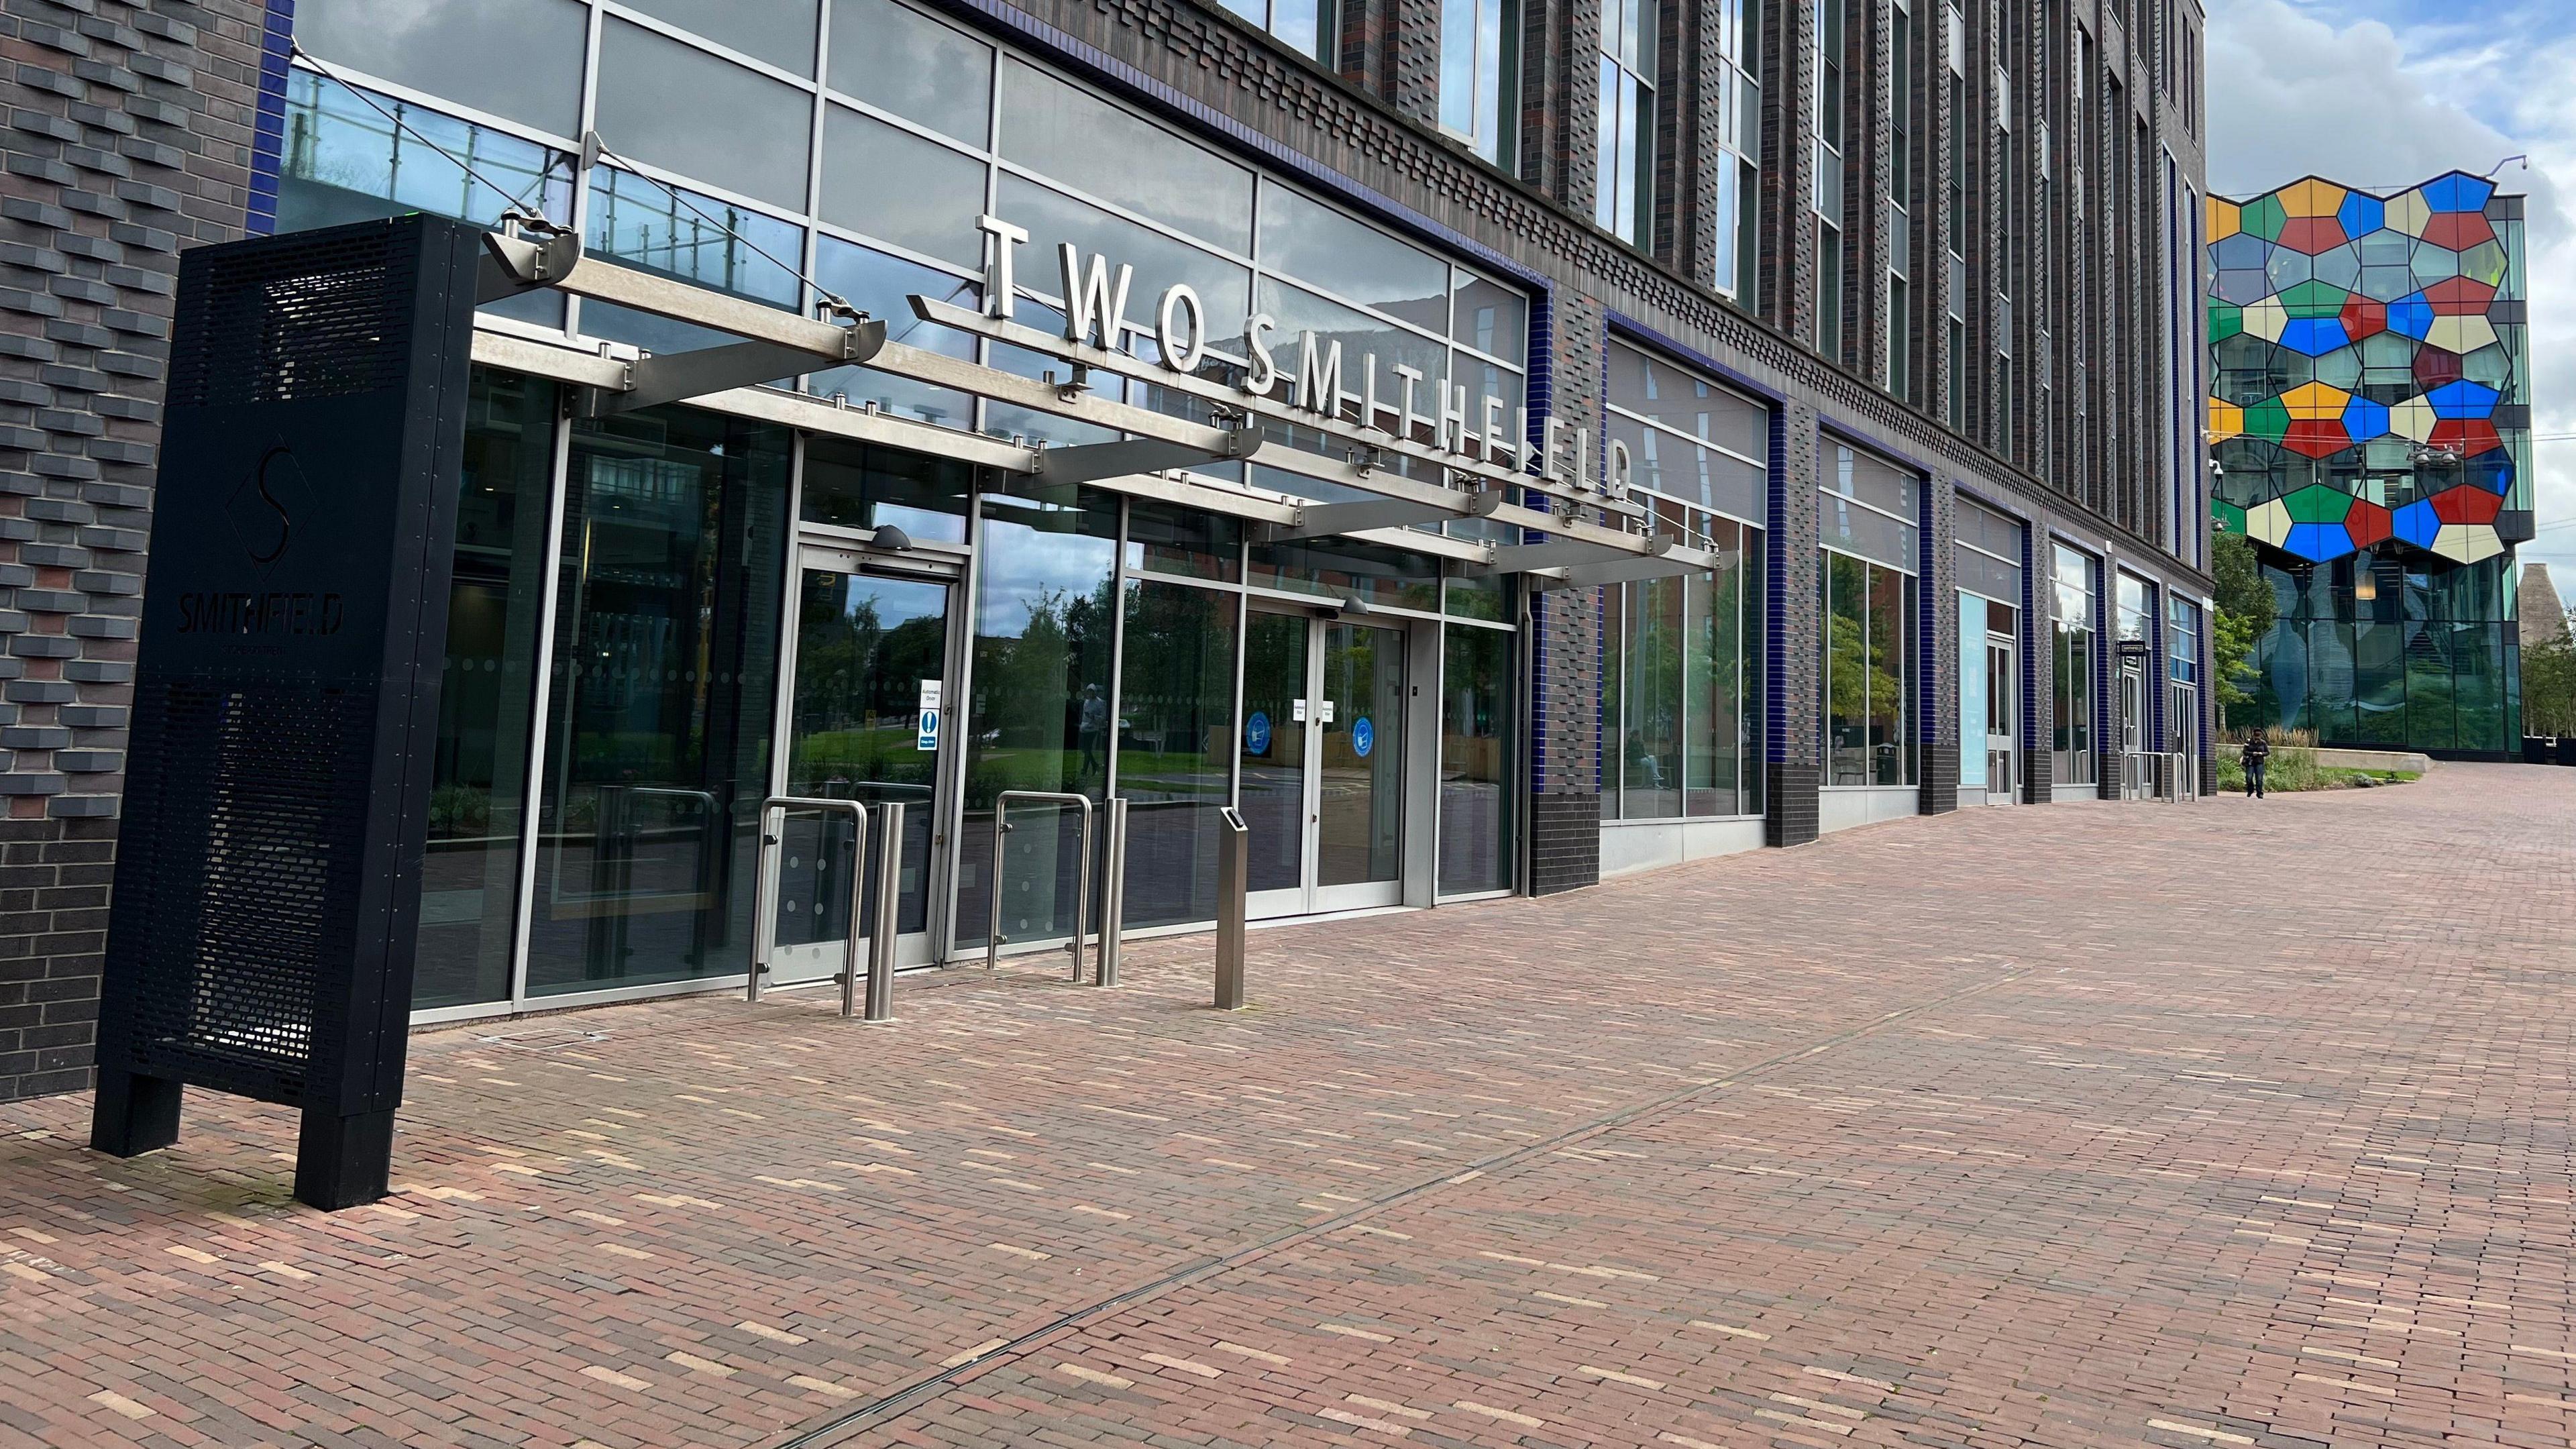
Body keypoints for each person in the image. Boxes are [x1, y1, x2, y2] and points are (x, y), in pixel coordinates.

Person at [2240, 727, 2271, 799]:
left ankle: (2259, 793)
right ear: (2253, 736)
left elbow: (2267, 752)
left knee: (2259, 779)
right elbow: (2244, 751)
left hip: (2259, 762)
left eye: (2258, 738)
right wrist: (2252, 753)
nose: (2257, 739)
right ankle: (2250, 790)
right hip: (2250, 762)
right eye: (2256, 738)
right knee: (2249, 777)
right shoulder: (2248, 741)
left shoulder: (2263, 743)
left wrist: (2262, 754)